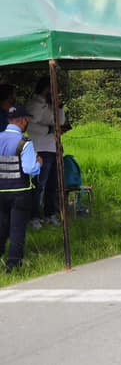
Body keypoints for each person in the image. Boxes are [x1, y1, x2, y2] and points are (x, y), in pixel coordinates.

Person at [0, 104, 43, 272]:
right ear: (23, 121)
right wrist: (39, 162)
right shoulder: (24, 142)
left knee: (1, 227)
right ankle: (13, 265)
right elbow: (30, 169)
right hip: (19, 192)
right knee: (17, 229)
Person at [26, 76, 67, 227]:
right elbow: (30, 124)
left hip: (53, 147)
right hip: (39, 149)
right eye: (52, 89)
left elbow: (60, 122)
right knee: (39, 185)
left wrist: (59, 106)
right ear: (45, 89)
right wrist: (49, 128)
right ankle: (33, 216)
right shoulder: (34, 103)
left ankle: (50, 213)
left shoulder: (50, 105)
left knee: (52, 185)